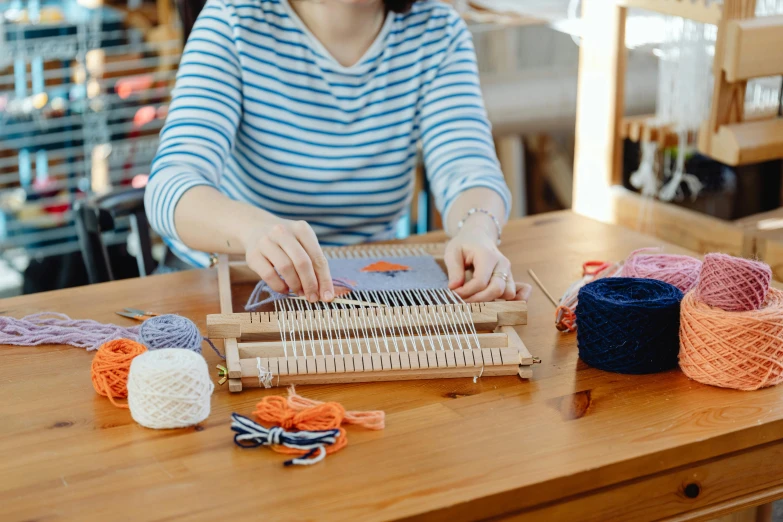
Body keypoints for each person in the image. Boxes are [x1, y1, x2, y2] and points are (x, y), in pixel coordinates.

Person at [146, 0, 517, 303]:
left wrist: (478, 229)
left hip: (373, 285)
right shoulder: (231, 20)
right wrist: (252, 230)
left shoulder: (438, 32)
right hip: (232, 282)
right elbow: (171, 182)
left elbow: (468, 167)